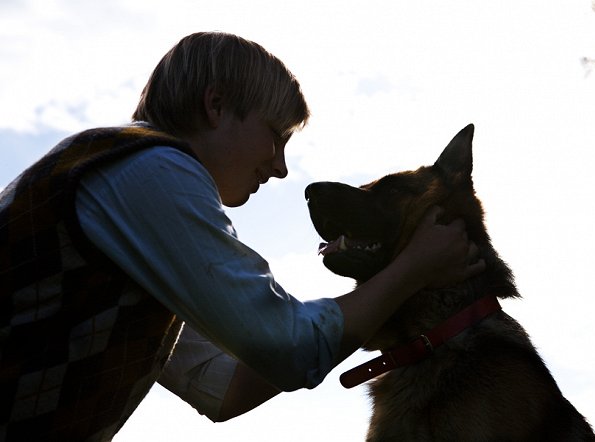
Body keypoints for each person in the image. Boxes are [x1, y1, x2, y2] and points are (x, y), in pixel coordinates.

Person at [0, 31, 484, 441]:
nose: (280, 167)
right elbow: (289, 346)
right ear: (216, 106)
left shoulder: (130, 210)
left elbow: (222, 385)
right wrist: (410, 271)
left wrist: (380, 306)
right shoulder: (155, 171)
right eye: (276, 136)